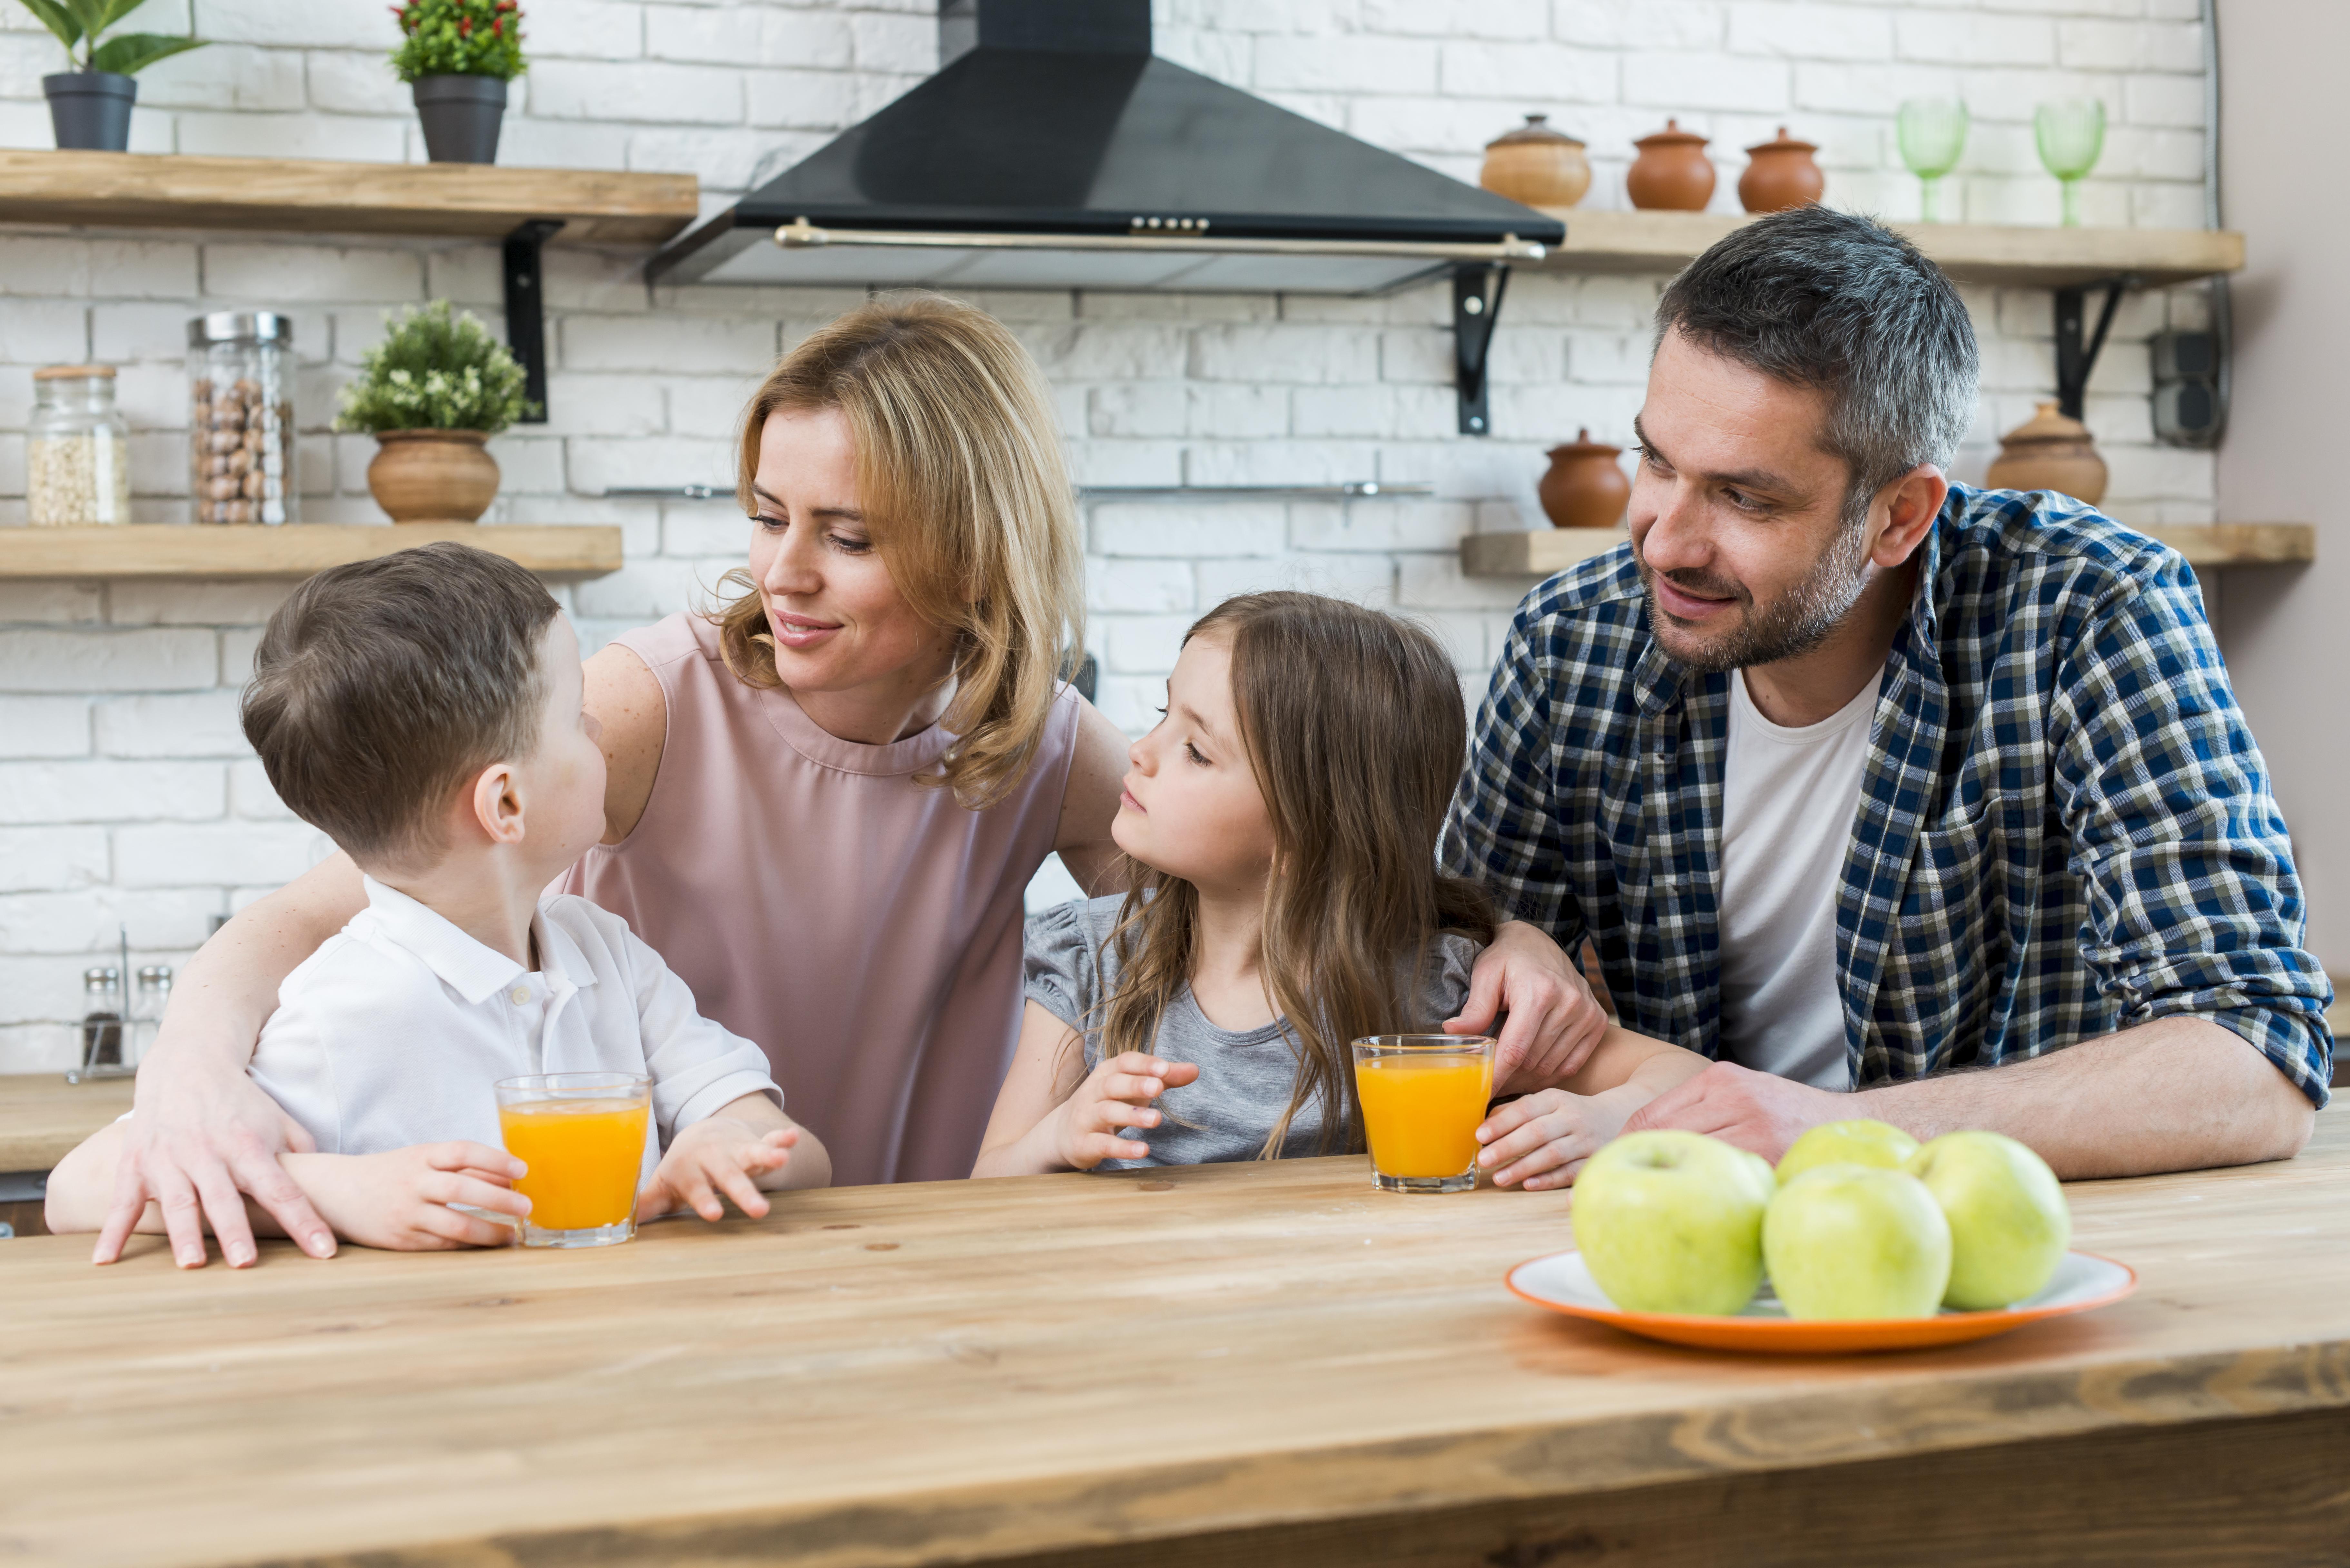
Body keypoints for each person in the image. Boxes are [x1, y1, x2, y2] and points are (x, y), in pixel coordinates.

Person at [99, 293, 1596, 1268]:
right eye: (766, 515)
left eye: (852, 535)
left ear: (967, 547)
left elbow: (1275, 878)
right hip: (670, 1252)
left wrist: (1496, 941)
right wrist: (187, 1083)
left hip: (907, 1251)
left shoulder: (1031, 743)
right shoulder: (646, 702)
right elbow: (320, 912)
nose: (788, 573)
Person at [1443, 205, 2334, 1179]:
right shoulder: (1572, 644)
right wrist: (1508, 940)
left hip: (1997, 1251)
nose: (1664, 542)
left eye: (1745, 497)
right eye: (1656, 460)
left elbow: (2256, 1055)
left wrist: (1835, 1133)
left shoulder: (2088, 608)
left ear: (1901, 517)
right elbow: (1455, 978)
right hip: (1665, 1230)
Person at [48, 546, 829, 1262]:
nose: (599, 726)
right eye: (573, 717)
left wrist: (729, 1148)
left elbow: (795, 1149)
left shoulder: (609, 956)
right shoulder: (341, 1011)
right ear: (506, 804)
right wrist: (336, 1192)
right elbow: (76, 1188)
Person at [976, 592, 1704, 1188]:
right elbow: (986, 1187)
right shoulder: (1092, 960)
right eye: (1167, 714)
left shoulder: (1441, 998)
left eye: (1197, 750)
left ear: (1305, 831)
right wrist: (1057, 1139)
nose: (1140, 750)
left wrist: (1615, 1120)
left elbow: (1684, 1077)